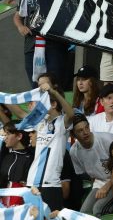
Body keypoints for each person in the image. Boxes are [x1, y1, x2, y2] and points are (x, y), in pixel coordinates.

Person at [15, 0, 70, 89]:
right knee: (35, 88)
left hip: (54, 44)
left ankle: (56, 111)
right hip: (31, 45)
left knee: (54, 88)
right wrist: (20, 27)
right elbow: (18, 15)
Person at [26, 74, 75, 210]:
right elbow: (20, 114)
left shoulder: (61, 123)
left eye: (43, 102)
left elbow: (71, 114)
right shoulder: (39, 123)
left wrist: (53, 92)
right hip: (32, 182)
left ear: (53, 104)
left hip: (51, 185)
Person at [70, 114, 113, 215]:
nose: (85, 132)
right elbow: (89, 175)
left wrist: (108, 185)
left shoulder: (107, 139)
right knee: (83, 213)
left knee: (98, 209)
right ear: (73, 135)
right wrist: (100, 186)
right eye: (80, 130)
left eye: (86, 127)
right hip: (100, 183)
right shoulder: (74, 151)